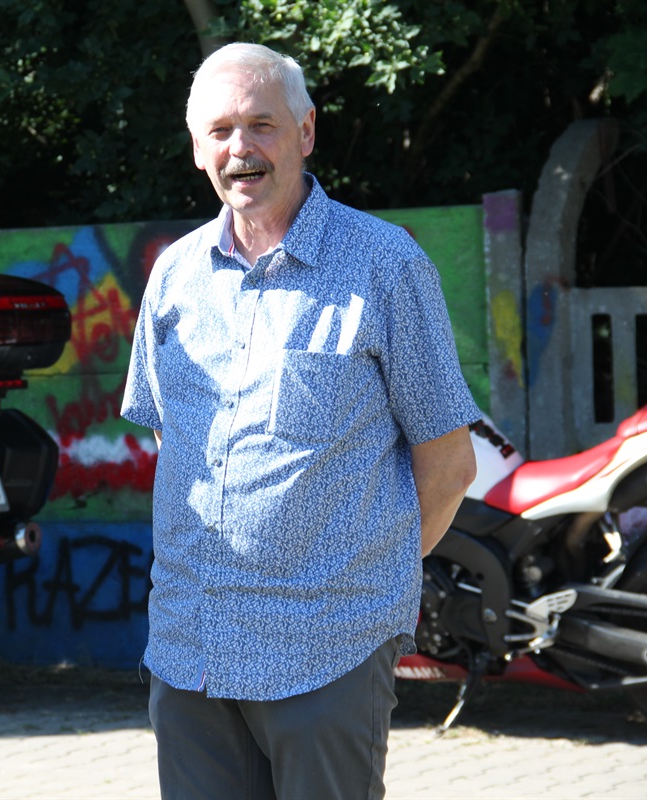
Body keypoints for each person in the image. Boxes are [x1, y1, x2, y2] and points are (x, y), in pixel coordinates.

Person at [121, 43, 479, 799]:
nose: (240, 149)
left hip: (327, 652)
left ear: (306, 131)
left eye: (262, 125)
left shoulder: (385, 264)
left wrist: (360, 580)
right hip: (190, 651)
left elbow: (449, 466)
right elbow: (172, 442)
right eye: (220, 131)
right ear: (197, 149)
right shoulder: (174, 275)